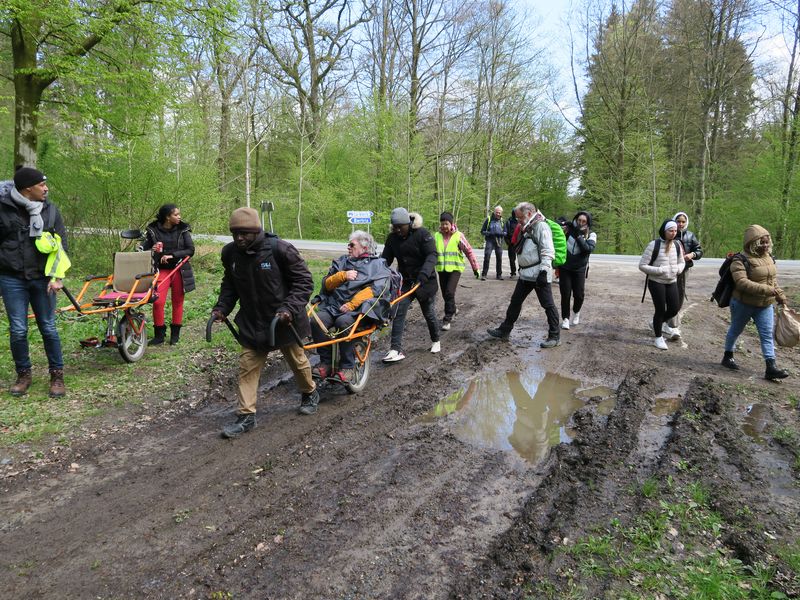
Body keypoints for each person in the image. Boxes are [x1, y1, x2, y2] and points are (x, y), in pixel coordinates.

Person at [212, 207, 319, 437]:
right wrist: (222, 308)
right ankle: (246, 416)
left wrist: (289, 308)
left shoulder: (279, 249)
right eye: (235, 234)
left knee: (298, 362)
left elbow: (304, 282)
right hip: (253, 322)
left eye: (244, 234)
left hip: (283, 320)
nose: (239, 238)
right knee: (247, 368)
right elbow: (230, 285)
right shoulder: (231, 253)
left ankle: (309, 392)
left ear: (256, 231)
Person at [0, 166, 68, 397]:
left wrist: (58, 277)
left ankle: (57, 376)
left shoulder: (50, 210)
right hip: (11, 278)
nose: (46, 188)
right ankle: (23, 375)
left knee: (48, 328)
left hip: (42, 279)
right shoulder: (3, 209)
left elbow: (61, 247)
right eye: (42, 185)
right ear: (28, 188)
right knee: (18, 330)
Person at [310, 230, 393, 381]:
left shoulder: (377, 265)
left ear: (364, 247)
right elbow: (327, 285)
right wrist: (342, 275)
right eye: (348, 244)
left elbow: (377, 289)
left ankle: (347, 367)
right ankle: (326, 363)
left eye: (352, 245)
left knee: (343, 323)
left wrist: (352, 304)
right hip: (334, 306)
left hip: (360, 310)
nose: (348, 247)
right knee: (316, 321)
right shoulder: (342, 262)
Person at [487, 202, 561, 348]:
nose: (518, 221)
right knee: (515, 302)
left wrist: (544, 271)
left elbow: (548, 250)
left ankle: (555, 336)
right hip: (526, 274)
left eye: (520, 217)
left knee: (548, 305)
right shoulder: (527, 226)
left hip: (539, 273)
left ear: (528, 214)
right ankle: (504, 330)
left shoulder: (541, 226)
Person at [721, 225, 790, 381]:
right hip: (742, 303)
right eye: (761, 243)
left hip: (765, 305)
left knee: (767, 335)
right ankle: (727, 356)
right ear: (752, 243)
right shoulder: (739, 260)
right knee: (735, 330)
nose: (765, 246)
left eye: (767, 242)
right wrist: (767, 290)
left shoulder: (770, 258)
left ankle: (770, 367)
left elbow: (773, 282)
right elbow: (741, 283)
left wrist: (781, 296)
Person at [381, 208, 440, 361]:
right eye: (395, 227)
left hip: (425, 281)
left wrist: (424, 274)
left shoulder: (422, 234)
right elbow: (385, 260)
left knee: (428, 313)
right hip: (406, 281)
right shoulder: (392, 238)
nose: (398, 230)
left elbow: (432, 255)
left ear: (408, 224)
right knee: (399, 310)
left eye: (400, 226)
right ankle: (395, 349)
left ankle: (436, 340)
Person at [141, 204, 195, 345]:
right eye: (176, 215)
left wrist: (173, 255)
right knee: (158, 302)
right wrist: (151, 249)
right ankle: (159, 335)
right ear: (167, 217)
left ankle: (175, 336)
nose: (179, 217)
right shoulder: (153, 230)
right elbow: (144, 250)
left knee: (177, 302)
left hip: (179, 269)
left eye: (179, 214)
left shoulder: (183, 229)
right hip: (162, 270)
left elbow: (190, 250)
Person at [638, 219, 685, 350]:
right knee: (660, 310)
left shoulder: (677, 245)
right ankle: (658, 338)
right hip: (656, 282)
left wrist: (679, 269)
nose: (673, 233)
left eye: (675, 231)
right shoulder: (654, 245)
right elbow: (642, 265)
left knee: (674, 309)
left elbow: (682, 262)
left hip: (672, 281)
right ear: (664, 231)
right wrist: (658, 270)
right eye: (671, 230)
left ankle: (656, 323)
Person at [434, 212, 480, 331]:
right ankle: (453, 309)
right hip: (442, 269)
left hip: (455, 269)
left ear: (451, 224)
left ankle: (448, 318)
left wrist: (475, 267)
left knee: (449, 292)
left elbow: (469, 251)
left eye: (446, 224)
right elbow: (431, 252)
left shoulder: (458, 236)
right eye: (442, 224)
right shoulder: (437, 236)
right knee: (445, 294)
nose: (444, 226)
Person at [667, 210, 703, 338]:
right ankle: (673, 327)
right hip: (669, 270)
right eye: (678, 221)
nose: (681, 224)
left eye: (683, 221)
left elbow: (699, 251)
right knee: (670, 296)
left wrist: (692, 254)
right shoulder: (669, 234)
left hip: (684, 270)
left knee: (679, 296)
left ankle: (664, 322)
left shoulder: (691, 236)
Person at [559, 211, 597, 330]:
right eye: (579, 220)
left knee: (579, 295)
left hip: (579, 269)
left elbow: (587, 249)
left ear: (588, 222)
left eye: (583, 221)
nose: (580, 223)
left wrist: (577, 235)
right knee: (565, 294)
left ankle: (576, 311)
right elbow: (557, 229)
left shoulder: (591, 235)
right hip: (565, 267)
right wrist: (564, 223)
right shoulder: (568, 230)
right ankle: (565, 318)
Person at [480, 205, 505, 280]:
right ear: (494, 212)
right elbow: (482, 231)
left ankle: (499, 275)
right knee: (487, 256)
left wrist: (502, 234)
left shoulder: (502, 221)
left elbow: (505, 232)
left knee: (499, 258)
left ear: (501, 213)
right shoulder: (489, 219)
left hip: (499, 241)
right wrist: (490, 233)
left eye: (499, 213)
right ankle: (484, 274)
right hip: (490, 240)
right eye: (497, 212)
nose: (498, 214)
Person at [503, 210, 519, 279]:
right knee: (512, 259)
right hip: (511, 244)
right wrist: (508, 243)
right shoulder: (508, 222)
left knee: (521, 259)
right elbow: (505, 234)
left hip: (519, 243)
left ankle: (522, 272)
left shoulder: (521, 221)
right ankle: (513, 273)